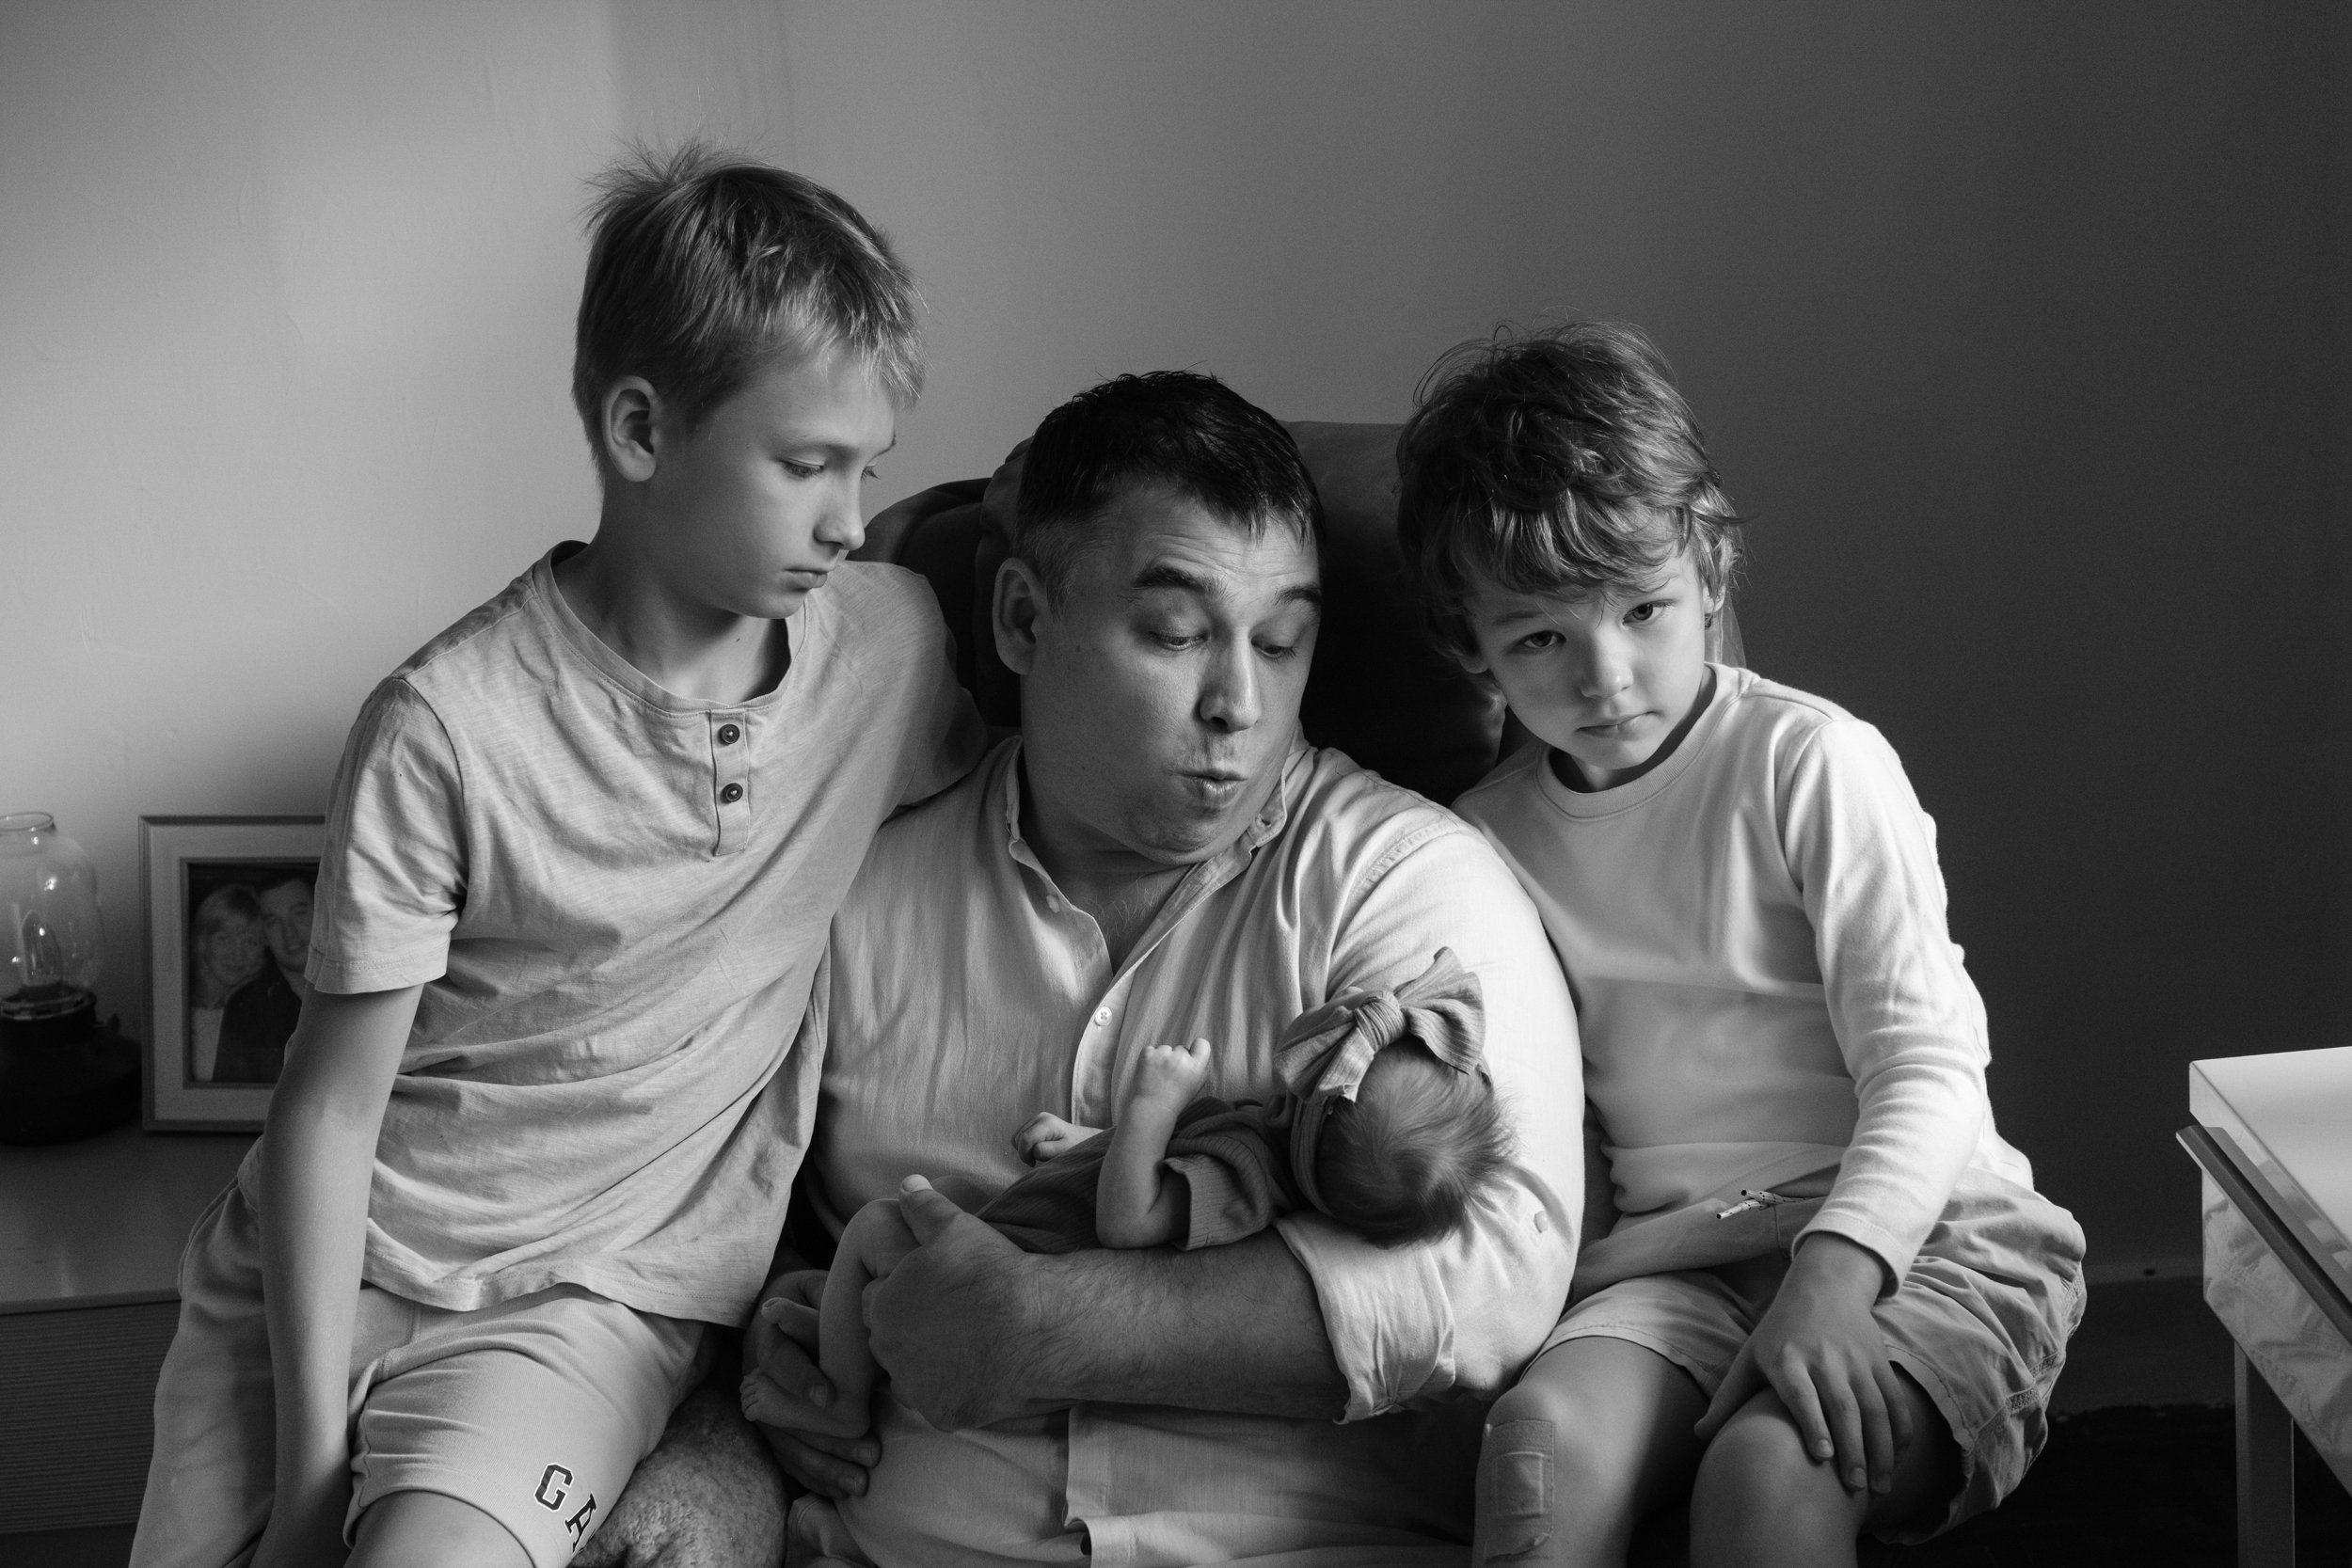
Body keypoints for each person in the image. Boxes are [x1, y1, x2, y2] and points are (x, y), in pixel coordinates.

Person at [131, 143, 981, 1568]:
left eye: (866, 469)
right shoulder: (446, 726)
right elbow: (329, 1115)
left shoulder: (889, 643)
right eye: (804, 464)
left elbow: (1046, 617)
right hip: (328, 1263)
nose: (845, 517)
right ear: (640, 429)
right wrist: (307, 1476)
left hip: (588, 1290)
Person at [710, 370, 1584, 1566]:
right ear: (1022, 620)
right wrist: (777, 1332)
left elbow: (1492, 1269)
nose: (1238, 701)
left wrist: (1059, 1325)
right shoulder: (852, 887)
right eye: (1174, 633)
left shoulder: (1406, 880)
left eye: (1281, 641)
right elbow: (735, 1213)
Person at [1394, 322, 2086, 1565]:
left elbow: (1929, 1068)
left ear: (1710, 572)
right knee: (1541, 1449)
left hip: (1924, 1230)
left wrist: (1833, 1274)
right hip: (1680, 1260)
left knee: (1767, 1478)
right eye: (1541, 637)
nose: (1607, 673)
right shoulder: (1478, 841)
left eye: (1644, 608)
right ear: (1472, 647)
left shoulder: (1812, 763)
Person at [776, 948, 1511, 1443]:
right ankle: (843, 1327)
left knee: (878, 1224)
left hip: (1032, 1262)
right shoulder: (1262, 1142)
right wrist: (1087, 1141)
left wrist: (1151, 1108)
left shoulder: (1245, 1182)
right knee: (955, 1192)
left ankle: (840, 1395)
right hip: (1032, 1222)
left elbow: (1129, 1220)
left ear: (1309, 1105)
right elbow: (1157, 1165)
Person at [215, 870, 314, 1084]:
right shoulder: (245, 1006)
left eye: (299, 913)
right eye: (273, 922)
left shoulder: (357, 990)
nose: (290, 932)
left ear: (323, 914)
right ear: (264, 936)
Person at [186, 885, 267, 1084]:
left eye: (250, 943)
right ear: (202, 942)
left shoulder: (269, 1012)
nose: (237, 953)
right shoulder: (176, 1009)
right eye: (224, 939)